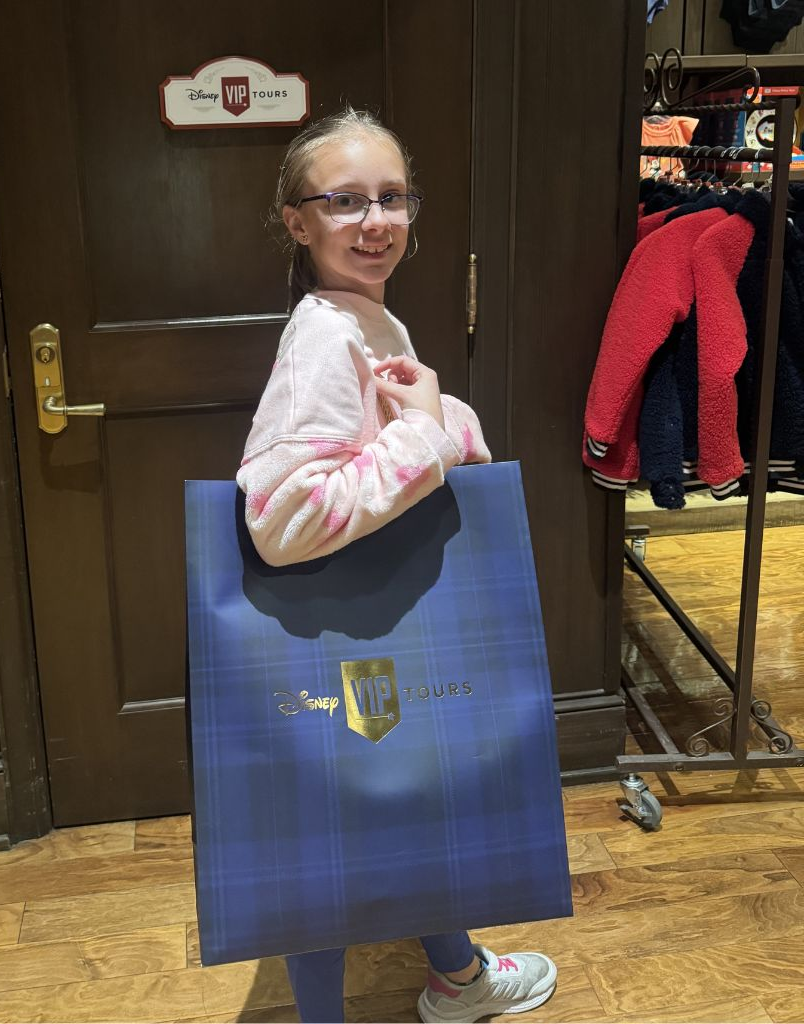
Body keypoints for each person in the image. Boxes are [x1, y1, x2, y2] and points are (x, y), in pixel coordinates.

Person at [235, 107, 558, 1024]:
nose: (375, 221)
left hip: (374, 624)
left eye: (392, 197)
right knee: (332, 831)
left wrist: (438, 421)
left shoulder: (365, 319)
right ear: (297, 222)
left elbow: (389, 448)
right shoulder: (322, 338)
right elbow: (283, 518)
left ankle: (456, 974)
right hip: (348, 632)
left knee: (393, 802)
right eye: (344, 201)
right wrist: (429, 432)